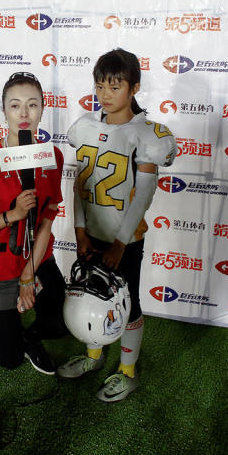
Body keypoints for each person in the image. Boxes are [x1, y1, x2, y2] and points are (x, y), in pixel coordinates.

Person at [59, 48, 177, 402]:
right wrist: (79, 231)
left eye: (114, 86)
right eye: (100, 86)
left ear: (134, 87)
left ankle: (127, 371)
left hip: (123, 240)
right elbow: (79, 184)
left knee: (127, 304)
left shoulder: (148, 134)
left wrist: (121, 243)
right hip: (90, 234)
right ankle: (94, 356)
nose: (105, 95)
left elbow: (144, 194)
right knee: (88, 297)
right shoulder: (85, 127)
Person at [0, 71, 68, 374]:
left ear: (43, 110)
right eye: (15, 105)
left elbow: (46, 220)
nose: (24, 113)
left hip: (37, 257)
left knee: (58, 324)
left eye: (32, 105)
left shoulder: (52, 156)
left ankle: (26, 336)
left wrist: (29, 274)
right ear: (4, 111)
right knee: (9, 358)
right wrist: (13, 215)